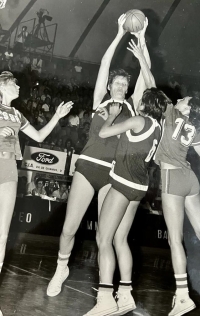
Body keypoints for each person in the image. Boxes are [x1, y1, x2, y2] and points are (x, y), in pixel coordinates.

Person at [46, 14, 152, 298]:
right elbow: (104, 64)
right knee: (69, 229)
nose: (119, 86)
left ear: (127, 90)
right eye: (116, 83)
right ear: (108, 86)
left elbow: (146, 76)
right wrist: (118, 33)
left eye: (123, 85)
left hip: (114, 175)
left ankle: (110, 290)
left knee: (104, 236)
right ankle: (61, 267)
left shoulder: (132, 107)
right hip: (88, 167)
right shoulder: (99, 101)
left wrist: (141, 40)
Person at [83, 40, 170, 316]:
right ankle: (127, 294)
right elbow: (153, 86)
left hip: (121, 185)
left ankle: (106, 298)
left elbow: (104, 133)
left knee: (104, 239)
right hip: (139, 188)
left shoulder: (137, 120)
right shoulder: (158, 126)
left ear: (145, 104)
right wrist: (144, 57)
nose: (139, 97)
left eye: (143, 98)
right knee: (121, 240)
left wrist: (112, 115)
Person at [0, 71, 73, 316]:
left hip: (10, 171)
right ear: (2, 85)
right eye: (14, 83)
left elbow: (40, 136)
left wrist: (57, 116)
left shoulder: (17, 114)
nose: (19, 86)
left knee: (1, 237)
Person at [154, 95, 200, 316]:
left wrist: (143, 59)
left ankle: (182, 296)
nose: (179, 98)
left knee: (174, 239)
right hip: (191, 180)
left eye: (183, 99)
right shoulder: (193, 127)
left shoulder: (171, 111)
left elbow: (151, 82)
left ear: (187, 108)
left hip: (172, 177)